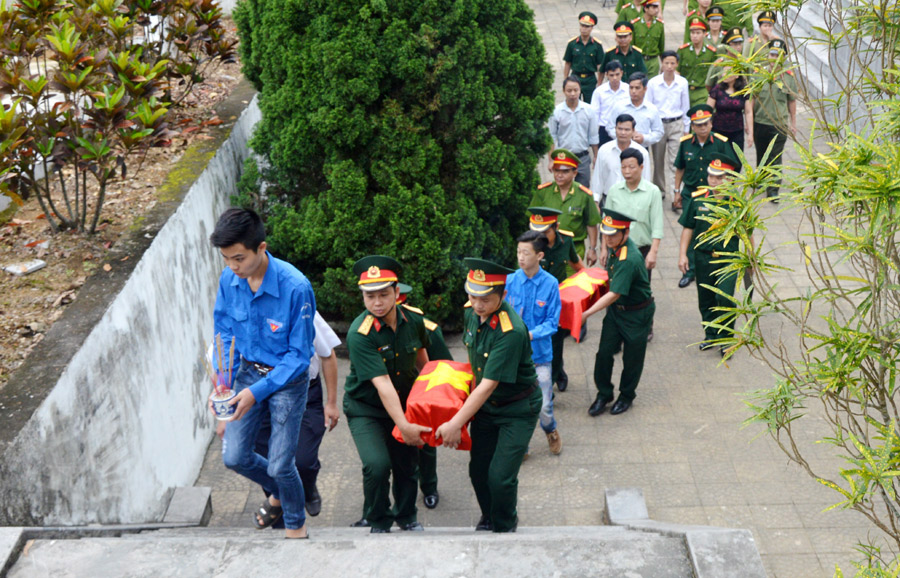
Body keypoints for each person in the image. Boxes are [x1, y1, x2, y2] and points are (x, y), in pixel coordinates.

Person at [210, 208, 316, 540]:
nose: (232, 267)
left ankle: (296, 526)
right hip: (246, 374)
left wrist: (257, 393)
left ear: (261, 247)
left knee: (281, 464)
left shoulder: (296, 287)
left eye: (238, 258)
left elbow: (299, 357)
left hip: (287, 381)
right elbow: (224, 332)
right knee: (234, 457)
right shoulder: (230, 280)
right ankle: (279, 493)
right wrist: (225, 383)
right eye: (227, 259)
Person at [434, 259, 541, 533]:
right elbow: (475, 366)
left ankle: (505, 524)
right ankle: (489, 515)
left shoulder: (511, 332)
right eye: (473, 296)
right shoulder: (472, 314)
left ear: (503, 296)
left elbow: (487, 385)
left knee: (500, 477)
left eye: (485, 299)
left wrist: (456, 423)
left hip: (516, 409)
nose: (478, 305)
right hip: (486, 408)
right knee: (478, 471)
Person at [343, 255, 432, 534]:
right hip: (366, 408)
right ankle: (378, 520)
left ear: (397, 292)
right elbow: (382, 385)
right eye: (370, 296)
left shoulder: (415, 321)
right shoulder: (360, 333)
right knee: (377, 466)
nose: (377, 302)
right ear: (362, 297)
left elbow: (423, 363)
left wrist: (435, 399)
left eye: (384, 294)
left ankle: (407, 517)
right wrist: (404, 426)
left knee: (407, 465)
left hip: (403, 403)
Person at [252, 310, 340, 525]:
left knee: (304, 461)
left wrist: (331, 402)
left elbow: (327, 355)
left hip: (304, 392)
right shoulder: (241, 308)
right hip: (260, 396)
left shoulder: (300, 305)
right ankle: (280, 514)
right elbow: (220, 359)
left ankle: (307, 489)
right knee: (269, 464)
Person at [678, 153, 753, 355]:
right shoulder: (697, 200)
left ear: (729, 178)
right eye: (712, 176)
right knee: (706, 298)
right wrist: (682, 255)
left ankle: (727, 339)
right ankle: (711, 335)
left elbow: (747, 232)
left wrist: (750, 257)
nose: (714, 180)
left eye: (719, 177)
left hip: (728, 258)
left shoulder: (738, 204)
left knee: (726, 298)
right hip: (703, 258)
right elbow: (688, 228)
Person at [583, 210, 655, 417]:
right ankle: (604, 394)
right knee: (604, 353)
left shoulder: (629, 258)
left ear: (626, 232)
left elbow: (614, 293)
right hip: (617, 312)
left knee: (632, 358)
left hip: (636, 314)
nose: (608, 239)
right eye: (605, 234)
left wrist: (586, 314)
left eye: (613, 235)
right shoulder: (615, 248)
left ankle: (626, 395)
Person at [506, 231, 563, 455]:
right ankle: (522, 444)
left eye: (526, 253)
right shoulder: (510, 281)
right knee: (517, 405)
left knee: (544, 406)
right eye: (518, 252)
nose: (521, 257)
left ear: (539, 255)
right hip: (514, 358)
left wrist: (528, 334)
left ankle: (550, 430)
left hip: (539, 356)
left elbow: (552, 322)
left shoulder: (550, 284)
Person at [397, 284, 450, 510]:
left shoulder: (427, 329)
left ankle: (429, 487)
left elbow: (443, 366)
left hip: (421, 396)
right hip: (391, 395)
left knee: (426, 444)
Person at [673, 104, 736, 287]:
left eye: (705, 124)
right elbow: (680, 167)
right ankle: (690, 269)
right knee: (692, 232)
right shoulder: (685, 143)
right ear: (692, 126)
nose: (702, 128)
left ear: (711, 123)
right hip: (691, 193)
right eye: (698, 125)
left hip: (716, 195)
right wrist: (676, 191)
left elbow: (732, 170)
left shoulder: (721, 143)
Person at [528, 207, 584, 393]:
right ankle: (558, 374)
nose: (540, 237)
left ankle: (549, 386)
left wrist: (588, 285)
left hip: (557, 302)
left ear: (556, 227)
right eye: (536, 231)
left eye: (545, 232)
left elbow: (576, 264)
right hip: (534, 302)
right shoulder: (529, 245)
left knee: (556, 343)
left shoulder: (565, 240)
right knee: (538, 343)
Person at [530, 148, 602, 267]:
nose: (559, 175)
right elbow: (533, 220)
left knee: (570, 283)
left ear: (574, 173)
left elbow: (591, 224)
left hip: (574, 248)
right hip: (547, 247)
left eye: (565, 171)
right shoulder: (543, 191)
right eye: (556, 170)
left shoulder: (584, 195)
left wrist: (592, 249)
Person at [603, 148, 664, 283]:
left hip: (641, 251)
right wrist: (603, 250)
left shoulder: (653, 192)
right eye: (623, 167)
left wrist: (653, 252)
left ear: (641, 167)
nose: (627, 171)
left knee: (640, 290)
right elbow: (606, 223)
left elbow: (657, 226)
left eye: (631, 167)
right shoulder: (614, 191)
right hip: (617, 250)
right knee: (615, 288)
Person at [752, 39, 797, 202]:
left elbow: (791, 100)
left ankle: (773, 189)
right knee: (761, 154)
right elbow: (751, 99)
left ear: (783, 58)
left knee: (775, 157)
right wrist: (748, 126)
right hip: (760, 122)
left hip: (779, 124)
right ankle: (762, 181)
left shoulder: (788, 77)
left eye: (778, 55)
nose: (774, 58)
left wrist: (793, 123)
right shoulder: (758, 74)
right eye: (771, 54)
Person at [647, 51, 691, 198]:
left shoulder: (682, 82)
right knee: (658, 161)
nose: (669, 66)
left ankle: (675, 193)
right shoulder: (653, 83)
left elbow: (685, 107)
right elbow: (649, 106)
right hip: (658, 125)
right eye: (666, 63)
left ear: (677, 64)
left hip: (676, 123)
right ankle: (659, 190)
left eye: (673, 63)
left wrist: (686, 127)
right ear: (662, 64)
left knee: (675, 160)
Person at [549, 76, 600, 189]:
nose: (572, 93)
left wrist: (596, 156)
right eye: (569, 90)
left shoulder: (589, 110)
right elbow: (551, 136)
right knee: (563, 188)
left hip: (582, 157)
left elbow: (593, 136)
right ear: (563, 91)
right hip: (563, 157)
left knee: (583, 190)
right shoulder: (556, 112)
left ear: (580, 90)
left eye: (575, 90)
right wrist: (551, 159)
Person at [592, 114, 652, 207]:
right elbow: (598, 178)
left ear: (633, 131)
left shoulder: (642, 153)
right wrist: (595, 201)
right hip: (608, 200)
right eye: (620, 129)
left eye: (627, 130)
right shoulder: (604, 150)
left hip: (633, 201)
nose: (623, 133)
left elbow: (646, 180)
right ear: (615, 129)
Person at [603, 73, 663, 150]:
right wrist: (623, 136)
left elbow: (658, 132)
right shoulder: (619, 106)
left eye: (637, 88)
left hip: (642, 148)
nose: (633, 91)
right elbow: (609, 127)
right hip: (621, 148)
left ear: (645, 89)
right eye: (631, 88)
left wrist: (644, 138)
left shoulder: (651, 109)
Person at [706, 66, 754, 151]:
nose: (724, 75)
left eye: (728, 72)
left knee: (736, 160)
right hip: (718, 129)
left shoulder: (743, 90)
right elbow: (708, 110)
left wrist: (750, 133)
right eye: (723, 72)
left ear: (736, 75)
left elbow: (748, 112)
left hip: (737, 131)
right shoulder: (717, 89)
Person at [563, 11, 605, 103]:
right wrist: (566, 80)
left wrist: (599, 83)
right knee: (573, 103)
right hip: (575, 77)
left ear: (592, 28)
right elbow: (568, 63)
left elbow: (600, 66)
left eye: (587, 26)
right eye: (582, 25)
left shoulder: (597, 45)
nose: (584, 29)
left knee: (590, 105)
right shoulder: (572, 44)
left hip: (590, 79)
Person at [677, 17, 720, 107]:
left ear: (704, 34)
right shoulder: (683, 51)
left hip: (702, 92)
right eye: (692, 33)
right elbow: (677, 71)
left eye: (698, 33)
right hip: (684, 91)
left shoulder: (711, 52)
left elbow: (715, 74)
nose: (695, 36)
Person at [590, 61, 630, 148]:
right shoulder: (599, 92)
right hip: (605, 129)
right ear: (606, 75)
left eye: (617, 74)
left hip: (624, 128)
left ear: (621, 73)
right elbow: (595, 113)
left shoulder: (628, 89)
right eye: (611, 75)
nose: (615, 78)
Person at [631, 0, 665, 78]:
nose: (656, 10)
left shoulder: (659, 25)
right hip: (639, 59)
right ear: (646, 9)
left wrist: (663, 63)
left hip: (653, 60)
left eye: (657, 7)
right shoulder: (636, 24)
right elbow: (632, 46)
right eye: (653, 7)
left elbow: (661, 46)